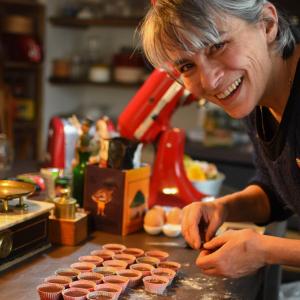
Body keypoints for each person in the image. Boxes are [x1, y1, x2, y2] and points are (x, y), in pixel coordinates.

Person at [139, 0, 300, 278]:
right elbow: (278, 192)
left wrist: (264, 250)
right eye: (187, 66)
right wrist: (222, 207)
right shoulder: (257, 92)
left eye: (217, 46)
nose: (210, 81)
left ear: (267, 24)